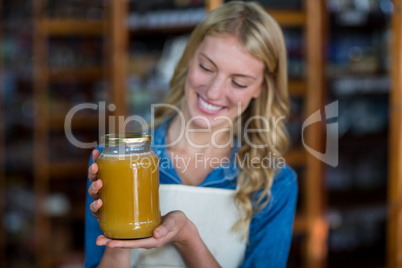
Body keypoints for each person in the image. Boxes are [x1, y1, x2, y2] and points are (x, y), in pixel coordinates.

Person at [85, 1, 298, 267]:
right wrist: (117, 237)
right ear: (189, 59)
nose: (214, 91)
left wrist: (187, 237)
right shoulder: (117, 161)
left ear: (261, 87)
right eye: (207, 67)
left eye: (238, 81)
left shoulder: (274, 183)